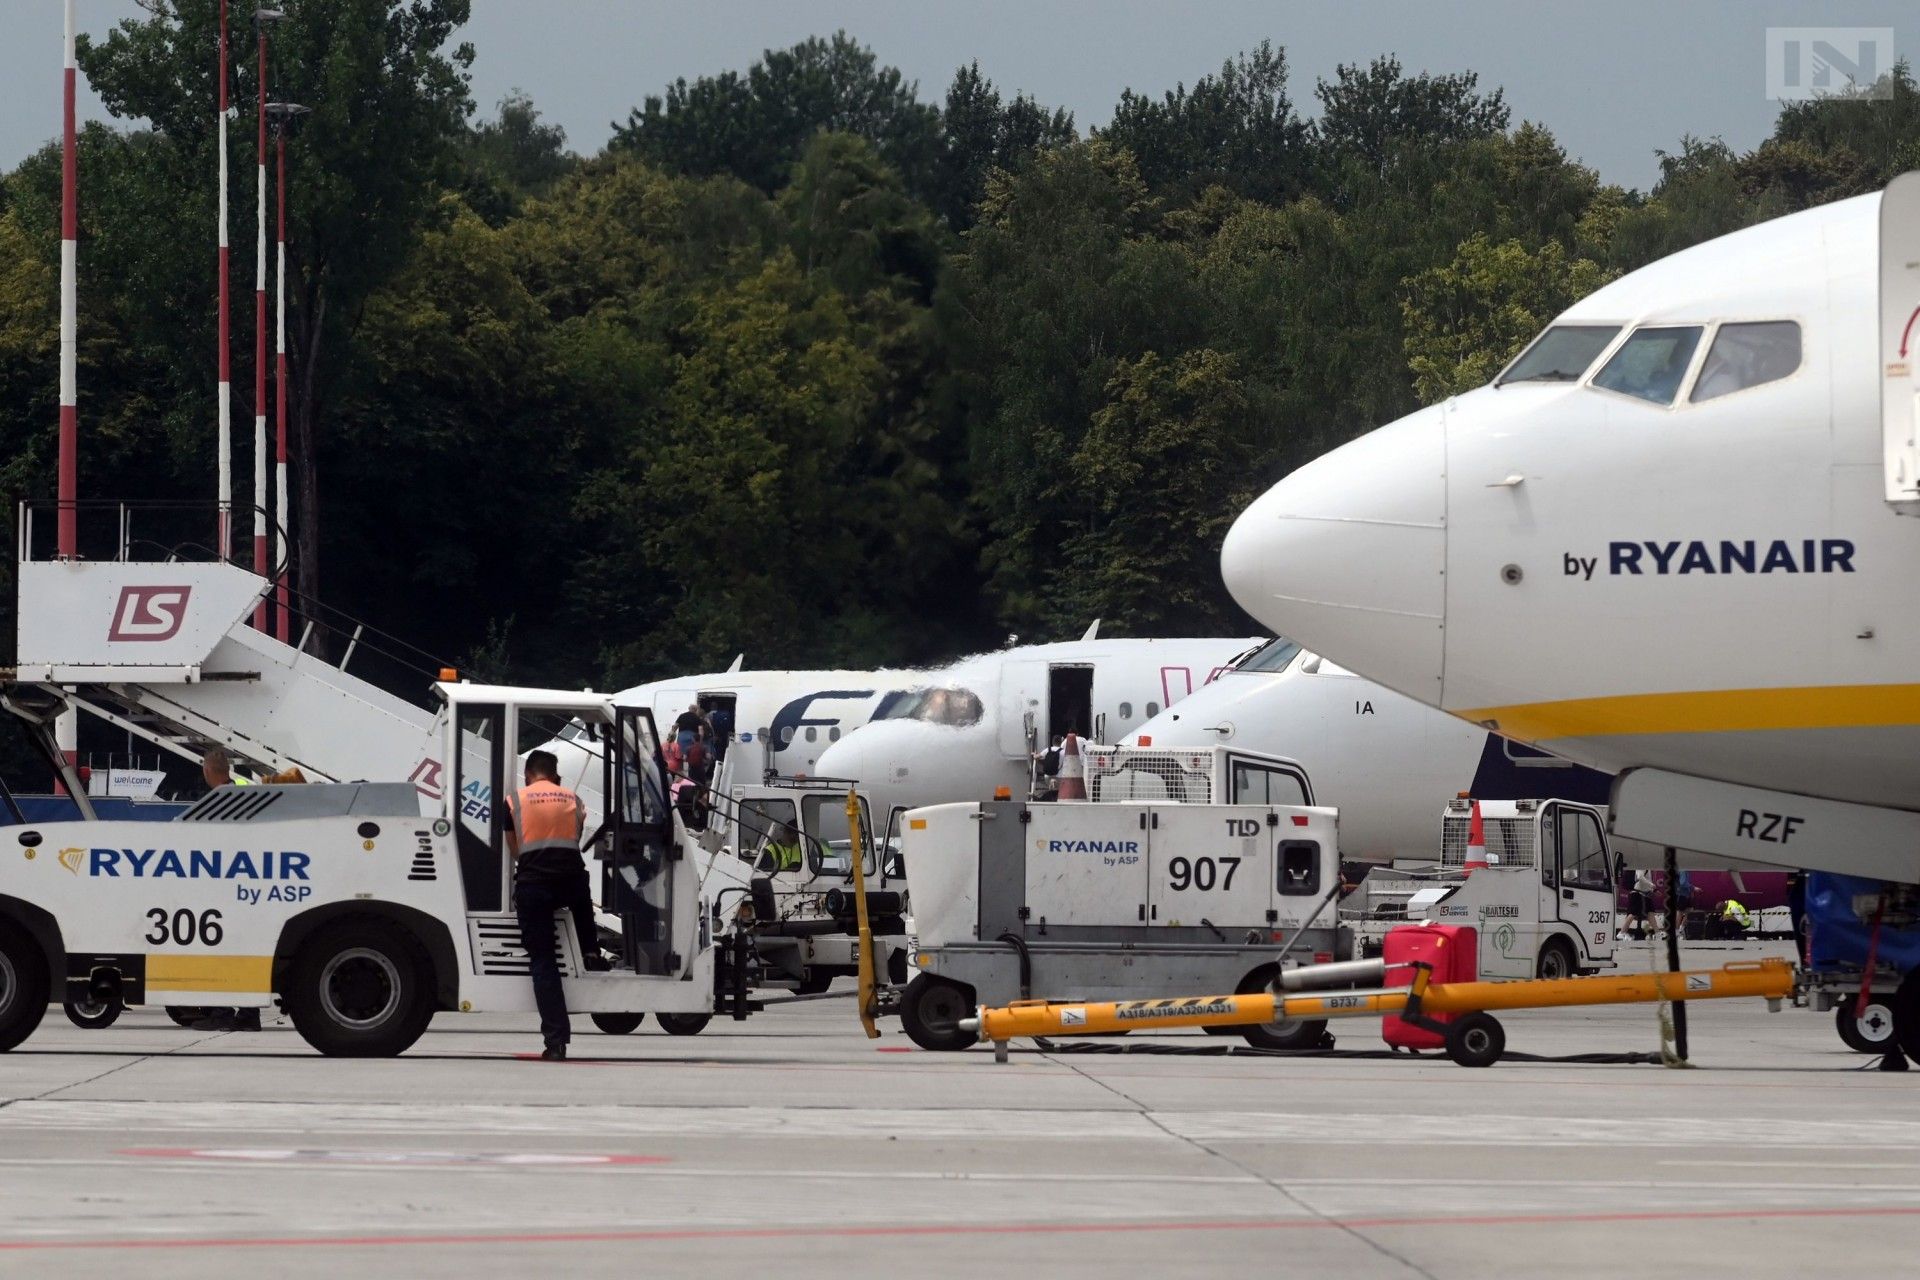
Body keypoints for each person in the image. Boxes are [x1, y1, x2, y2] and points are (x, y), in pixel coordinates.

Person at [507, 749, 597, 1060]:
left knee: (543, 961)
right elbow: (576, 837)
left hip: (534, 885)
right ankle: (591, 950)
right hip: (570, 882)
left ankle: (556, 1042)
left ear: (528, 773)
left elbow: (514, 849)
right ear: (555, 774)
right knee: (582, 899)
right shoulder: (573, 799)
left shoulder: (515, 800)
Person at [1627, 869, 1655, 940]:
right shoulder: (1643, 865)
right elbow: (1640, 877)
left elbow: (1646, 880)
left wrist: (1653, 889)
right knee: (1633, 913)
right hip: (1639, 893)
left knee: (1649, 913)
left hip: (1645, 894)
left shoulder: (1648, 867)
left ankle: (1656, 933)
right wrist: (1651, 885)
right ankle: (1622, 932)